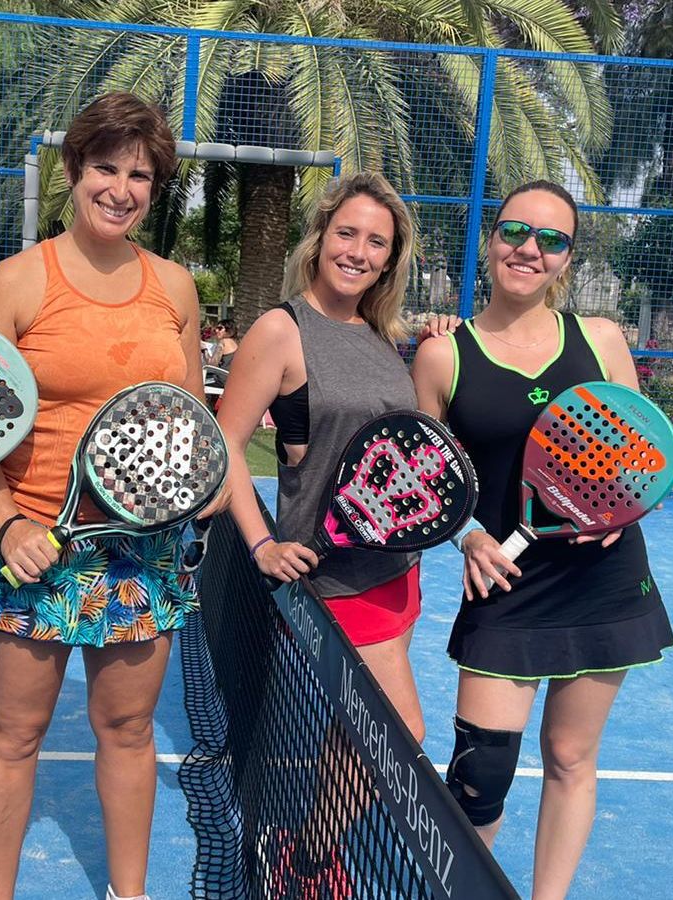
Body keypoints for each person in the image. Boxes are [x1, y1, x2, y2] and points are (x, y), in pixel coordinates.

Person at [0, 92, 225, 900]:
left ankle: (126, 893)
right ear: (73, 172)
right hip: (30, 544)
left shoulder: (173, 287)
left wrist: (196, 485)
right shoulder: (16, 283)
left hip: (142, 552)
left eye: (140, 174)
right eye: (106, 167)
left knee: (129, 730)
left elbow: (186, 416)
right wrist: (4, 523)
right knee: (14, 733)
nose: (121, 188)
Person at [410, 180, 673, 900]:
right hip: (505, 587)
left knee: (570, 756)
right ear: (492, 239)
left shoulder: (601, 339)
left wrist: (619, 513)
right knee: (479, 774)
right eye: (516, 232)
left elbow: (643, 455)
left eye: (551, 239)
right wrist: (467, 537)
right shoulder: (442, 355)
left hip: (605, 583)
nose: (529, 249)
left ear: (566, 258)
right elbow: (426, 480)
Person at [214, 171, 450, 895]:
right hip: (330, 578)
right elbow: (222, 446)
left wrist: (440, 341)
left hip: (396, 571)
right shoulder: (281, 330)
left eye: (375, 242)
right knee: (399, 733)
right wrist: (259, 545)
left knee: (353, 733)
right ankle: (311, 854)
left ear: (390, 260)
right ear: (320, 240)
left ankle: (308, 841)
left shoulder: (384, 336)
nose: (358, 250)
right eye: (347, 233)